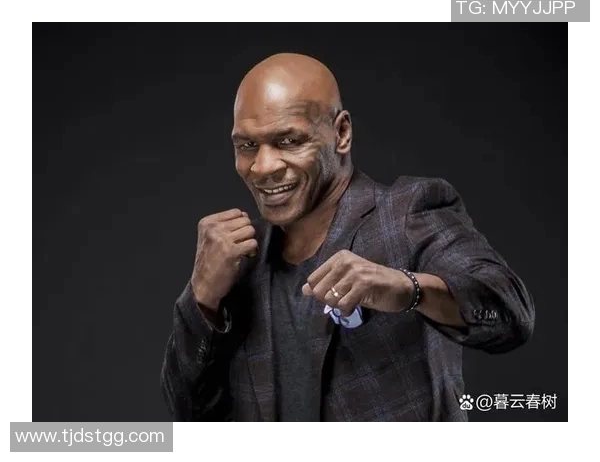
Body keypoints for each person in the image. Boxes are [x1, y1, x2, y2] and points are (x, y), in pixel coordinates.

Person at [160, 53, 535, 422]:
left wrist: (409, 289)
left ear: (341, 133)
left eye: (289, 141)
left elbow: (511, 313)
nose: (263, 167)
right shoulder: (241, 259)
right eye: (247, 146)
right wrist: (201, 299)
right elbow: (188, 412)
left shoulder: (406, 214)